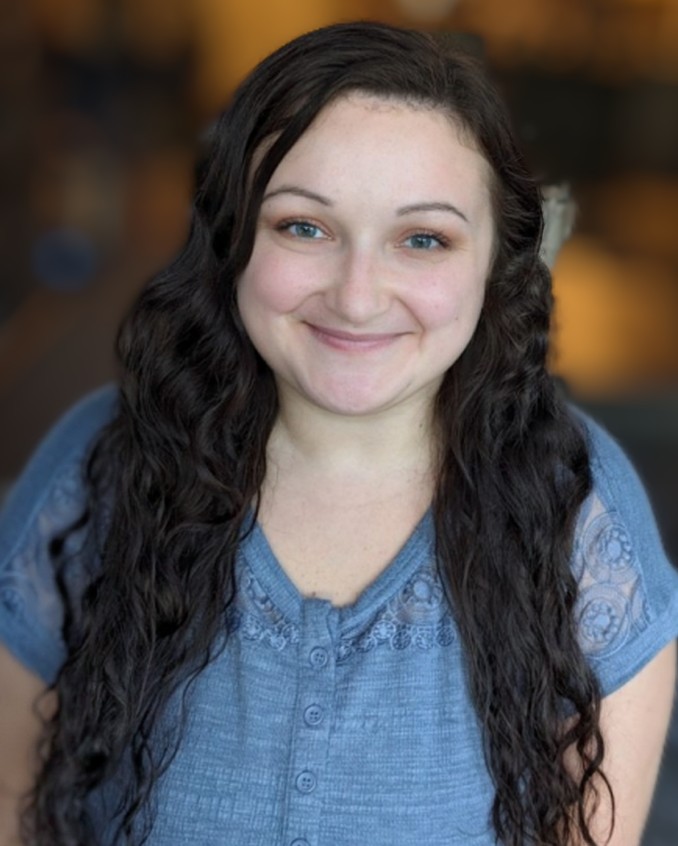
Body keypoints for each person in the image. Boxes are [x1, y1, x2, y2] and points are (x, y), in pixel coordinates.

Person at [0, 21, 676, 846]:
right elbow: (13, 802)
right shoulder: (99, 462)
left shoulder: (582, 509)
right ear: (233, 236)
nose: (357, 297)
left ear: (496, 262)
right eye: (304, 227)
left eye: (422, 239)